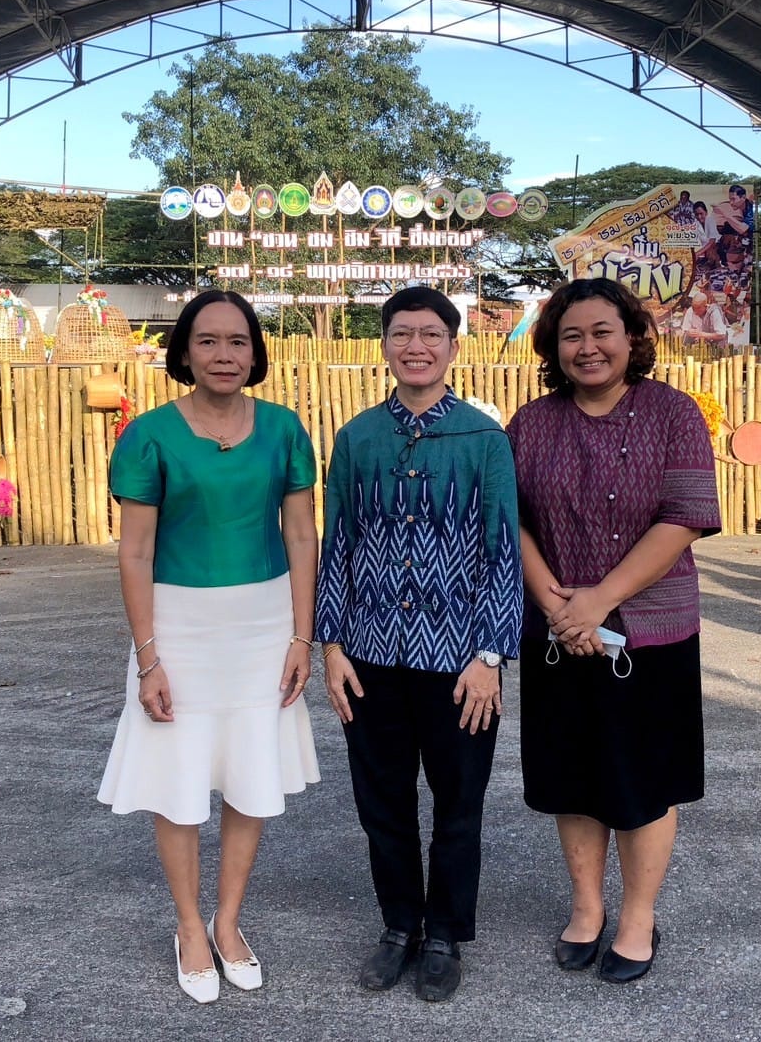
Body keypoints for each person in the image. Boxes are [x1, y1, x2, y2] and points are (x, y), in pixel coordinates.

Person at [98, 289, 321, 1005]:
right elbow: (135, 552)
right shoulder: (149, 436)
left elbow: (300, 536)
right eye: (208, 340)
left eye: (237, 341)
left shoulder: (284, 429)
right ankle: (189, 927)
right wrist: (149, 656)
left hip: (264, 627)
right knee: (180, 781)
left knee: (251, 773)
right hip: (180, 629)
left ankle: (228, 921)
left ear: (255, 352)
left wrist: (302, 636)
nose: (224, 354)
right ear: (185, 352)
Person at [505, 277, 720, 985]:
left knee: (642, 781)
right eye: (571, 335)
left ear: (632, 338)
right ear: (552, 346)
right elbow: (511, 522)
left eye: (602, 331)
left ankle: (637, 916)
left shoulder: (673, 413)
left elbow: (684, 517)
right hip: (557, 633)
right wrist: (560, 608)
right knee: (571, 777)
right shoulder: (530, 424)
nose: (587, 347)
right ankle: (586, 907)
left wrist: (599, 600)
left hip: (651, 633)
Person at [316, 285, 522, 1003]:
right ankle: (399, 925)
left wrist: (490, 656)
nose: (416, 346)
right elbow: (338, 542)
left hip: (460, 661)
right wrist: (331, 645)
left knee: (458, 804)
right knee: (382, 802)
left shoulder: (483, 439)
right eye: (401, 333)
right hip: (369, 655)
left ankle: (444, 934)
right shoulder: (357, 438)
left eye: (431, 334)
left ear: (453, 347)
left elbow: (502, 550)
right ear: (383, 344)